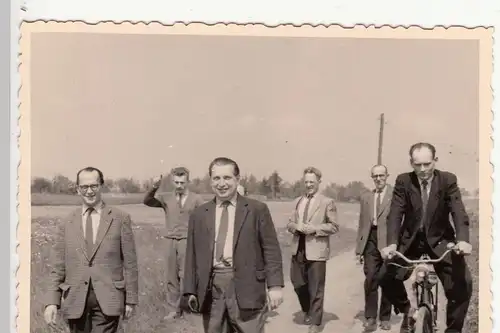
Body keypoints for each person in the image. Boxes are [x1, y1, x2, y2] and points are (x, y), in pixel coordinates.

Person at [181, 157, 284, 333]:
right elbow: (192, 255)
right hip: (212, 288)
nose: (222, 184)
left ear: (237, 179)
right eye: (216, 178)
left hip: (247, 287)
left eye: (227, 178)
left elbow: (271, 250)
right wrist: (190, 290)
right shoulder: (199, 214)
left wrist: (275, 286)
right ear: (210, 181)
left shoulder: (257, 210)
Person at [380, 143, 473, 333]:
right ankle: (408, 310)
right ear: (411, 163)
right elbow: (395, 214)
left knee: (463, 283)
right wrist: (391, 244)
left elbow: (458, 211)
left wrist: (462, 240)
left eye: (427, 164)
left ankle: (453, 330)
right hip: (411, 242)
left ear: (435, 161)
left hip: (440, 241)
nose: (422, 170)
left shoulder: (447, 180)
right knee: (384, 276)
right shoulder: (404, 181)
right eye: (417, 165)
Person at [44, 167, 138, 333]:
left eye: (94, 186)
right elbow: (58, 267)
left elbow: (130, 264)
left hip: (108, 299)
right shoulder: (67, 222)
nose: (89, 191)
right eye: (84, 187)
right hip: (75, 300)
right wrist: (52, 302)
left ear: (102, 186)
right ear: (77, 189)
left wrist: (131, 299)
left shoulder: (120, 218)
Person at [143, 166, 205, 320]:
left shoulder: (197, 199)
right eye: (176, 182)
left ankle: (190, 306)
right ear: (172, 181)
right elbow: (147, 201)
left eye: (182, 183)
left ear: (188, 182)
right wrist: (155, 186)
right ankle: (174, 310)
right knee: (171, 276)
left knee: (187, 275)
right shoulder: (166, 198)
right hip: (170, 241)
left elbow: (204, 219)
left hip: (187, 241)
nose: (179, 186)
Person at [286, 167, 339, 333]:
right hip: (298, 248)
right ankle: (308, 309)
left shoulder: (327, 202)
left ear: (318, 183)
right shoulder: (297, 201)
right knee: (297, 282)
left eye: (312, 182)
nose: (309, 185)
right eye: (306, 182)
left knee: (316, 287)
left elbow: (334, 226)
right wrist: (295, 227)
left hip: (317, 249)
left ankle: (315, 322)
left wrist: (314, 229)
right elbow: (289, 223)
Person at [355, 164, 402, 332]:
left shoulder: (395, 195)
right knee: (370, 279)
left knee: (386, 278)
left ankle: (385, 317)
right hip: (370, 241)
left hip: (389, 241)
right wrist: (359, 249)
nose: (378, 179)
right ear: (372, 178)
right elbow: (362, 224)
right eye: (375, 176)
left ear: (387, 176)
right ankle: (370, 317)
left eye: (381, 175)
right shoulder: (366, 197)